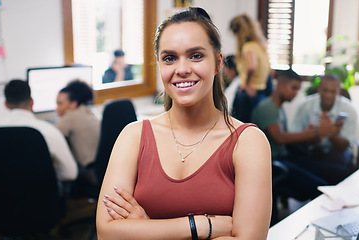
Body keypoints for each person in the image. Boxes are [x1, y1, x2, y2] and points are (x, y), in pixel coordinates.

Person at [96, 7, 271, 240]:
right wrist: (198, 226)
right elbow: (107, 234)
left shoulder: (248, 142)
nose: (182, 69)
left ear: (218, 63)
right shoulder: (133, 136)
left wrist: (145, 228)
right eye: (169, 58)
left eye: (196, 55)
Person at [0, 79, 78, 184]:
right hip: (39, 197)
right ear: (32, 101)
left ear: (6, 104)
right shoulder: (48, 131)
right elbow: (70, 173)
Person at [251, 69, 327, 200]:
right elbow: (280, 138)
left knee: (328, 174)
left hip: (285, 157)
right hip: (274, 163)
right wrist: (315, 132)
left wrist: (309, 134)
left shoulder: (278, 107)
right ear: (280, 84)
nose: (296, 93)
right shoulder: (268, 107)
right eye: (294, 88)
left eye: (298, 89)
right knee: (320, 188)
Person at [291, 74, 357, 184]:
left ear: (338, 91)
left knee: (343, 167)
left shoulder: (349, 109)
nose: (328, 95)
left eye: (333, 91)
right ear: (319, 89)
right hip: (312, 151)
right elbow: (295, 139)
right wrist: (314, 134)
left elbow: (345, 145)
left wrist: (331, 133)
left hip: (337, 152)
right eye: (325, 90)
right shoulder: (305, 105)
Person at [55, 80, 101, 196]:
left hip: (90, 173)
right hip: (101, 169)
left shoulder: (72, 116)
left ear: (73, 104)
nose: (57, 109)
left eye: (60, 104)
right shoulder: (92, 113)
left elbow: (50, 134)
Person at [229, 14, 271, 123]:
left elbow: (252, 66)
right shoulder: (260, 46)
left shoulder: (248, 47)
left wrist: (246, 84)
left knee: (241, 128)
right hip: (261, 90)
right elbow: (270, 70)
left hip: (248, 94)